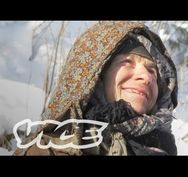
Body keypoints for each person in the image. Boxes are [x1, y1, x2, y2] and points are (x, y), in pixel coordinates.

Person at [14, 21, 178, 156]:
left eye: (152, 72)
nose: (147, 77)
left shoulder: (165, 148)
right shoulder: (47, 149)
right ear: (97, 77)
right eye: (127, 63)